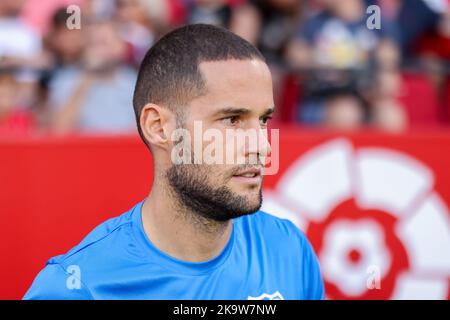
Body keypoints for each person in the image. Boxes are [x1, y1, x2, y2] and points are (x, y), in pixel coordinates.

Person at [24, 24, 324, 300]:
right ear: (159, 127)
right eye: (232, 120)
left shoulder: (288, 249)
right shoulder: (79, 287)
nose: (262, 146)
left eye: (263, 120)